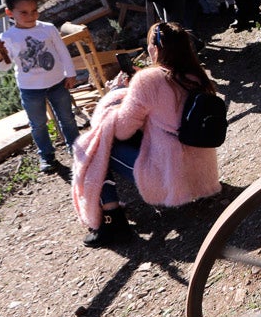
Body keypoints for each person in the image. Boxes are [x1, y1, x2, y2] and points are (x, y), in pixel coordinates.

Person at [71, 21, 220, 248]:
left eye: (149, 44)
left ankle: (112, 218)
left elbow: (122, 130)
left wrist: (118, 92)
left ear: (156, 48)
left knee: (94, 146)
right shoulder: (195, 75)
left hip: (172, 176)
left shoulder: (148, 79)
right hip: (201, 171)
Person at [0, 0, 80, 173]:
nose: (30, 15)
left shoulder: (47, 28)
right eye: (23, 12)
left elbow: (62, 52)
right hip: (30, 89)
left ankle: (76, 147)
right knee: (38, 124)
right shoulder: (7, 37)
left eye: (34, 10)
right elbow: (4, 66)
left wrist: (70, 73)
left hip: (57, 82)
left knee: (67, 117)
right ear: (10, 13)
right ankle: (47, 156)